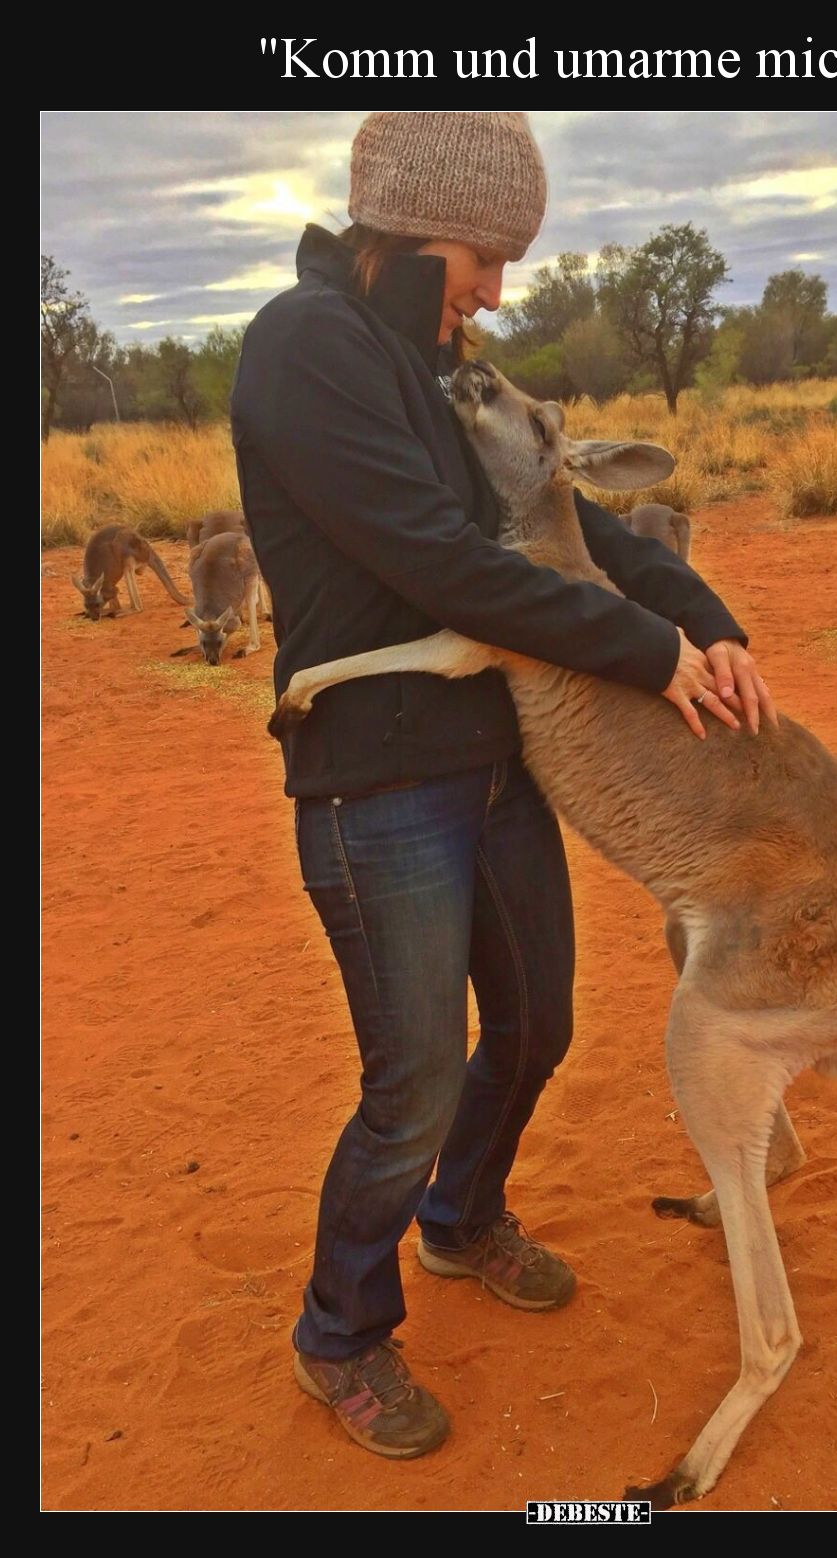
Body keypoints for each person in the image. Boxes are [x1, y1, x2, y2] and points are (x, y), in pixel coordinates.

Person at [230, 111, 775, 1462]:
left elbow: (565, 529)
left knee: (535, 1026)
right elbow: (441, 564)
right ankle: (340, 1332)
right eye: (484, 255)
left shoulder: (434, 361)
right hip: (376, 785)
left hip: (492, 762)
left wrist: (708, 621)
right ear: (418, 228)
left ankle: (461, 1220)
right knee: (409, 1078)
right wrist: (648, 655)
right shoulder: (308, 352)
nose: (494, 287)